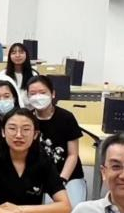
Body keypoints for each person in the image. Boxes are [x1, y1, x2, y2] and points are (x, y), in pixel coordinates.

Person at [0, 108, 71, 213]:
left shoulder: (44, 161)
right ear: (3, 132)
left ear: (35, 134)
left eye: (26, 129)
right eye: (12, 128)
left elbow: (65, 206)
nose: (19, 135)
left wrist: (20, 209)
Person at [26, 75, 87, 206]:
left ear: (53, 94)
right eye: (33, 94)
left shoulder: (66, 117)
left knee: (70, 209)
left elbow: (73, 155)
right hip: (37, 175)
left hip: (68, 175)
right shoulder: (26, 119)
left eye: (42, 92)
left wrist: (61, 180)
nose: (38, 97)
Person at [6, 42, 38, 107]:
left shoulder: (34, 74)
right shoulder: (3, 75)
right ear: (9, 56)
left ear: (26, 55)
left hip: (28, 109)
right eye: (14, 53)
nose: (17, 55)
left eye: (21, 52)